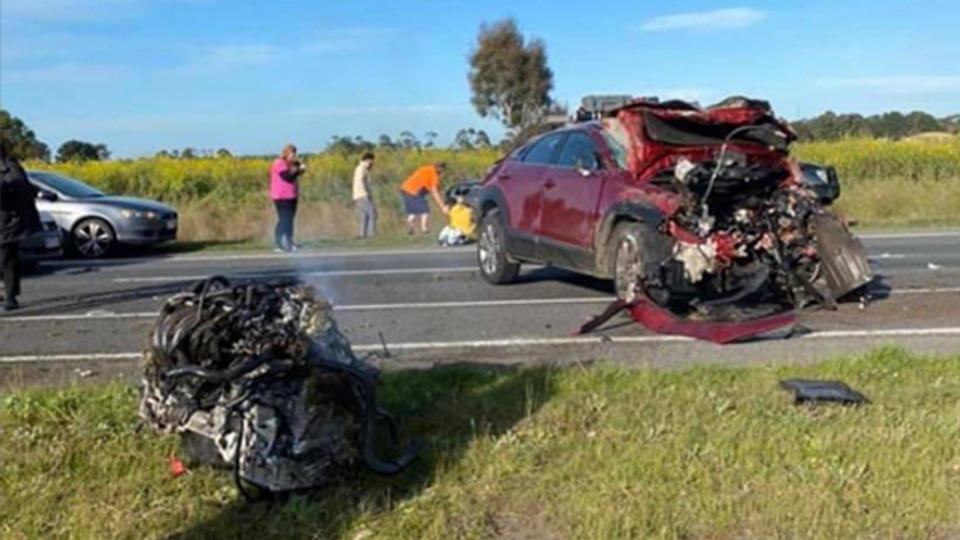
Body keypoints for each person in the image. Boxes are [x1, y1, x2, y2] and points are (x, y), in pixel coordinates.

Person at [0, 142, 41, 311]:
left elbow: (20, 186)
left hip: (8, 221)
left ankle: (10, 295)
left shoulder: (9, 166)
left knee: (7, 257)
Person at [270, 144, 305, 252]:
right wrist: (298, 171)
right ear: (286, 153)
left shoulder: (289, 164)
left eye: (295, 153)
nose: (294, 155)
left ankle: (290, 242)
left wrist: (299, 165)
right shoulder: (279, 163)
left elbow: (296, 169)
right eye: (292, 153)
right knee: (284, 220)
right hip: (282, 196)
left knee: (290, 220)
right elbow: (287, 177)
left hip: (292, 195)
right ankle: (279, 243)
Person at [400, 162, 449, 235]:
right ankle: (424, 229)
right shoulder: (434, 175)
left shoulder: (425, 168)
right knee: (425, 211)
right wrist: (443, 207)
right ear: (440, 169)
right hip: (414, 191)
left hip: (404, 189)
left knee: (413, 211)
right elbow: (435, 193)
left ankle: (411, 227)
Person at [352, 152, 377, 238]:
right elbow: (361, 181)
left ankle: (361, 235)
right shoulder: (362, 169)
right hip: (362, 195)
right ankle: (371, 235)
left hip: (358, 196)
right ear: (368, 160)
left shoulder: (359, 168)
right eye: (372, 161)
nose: (373, 164)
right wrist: (366, 194)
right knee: (372, 214)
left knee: (363, 216)